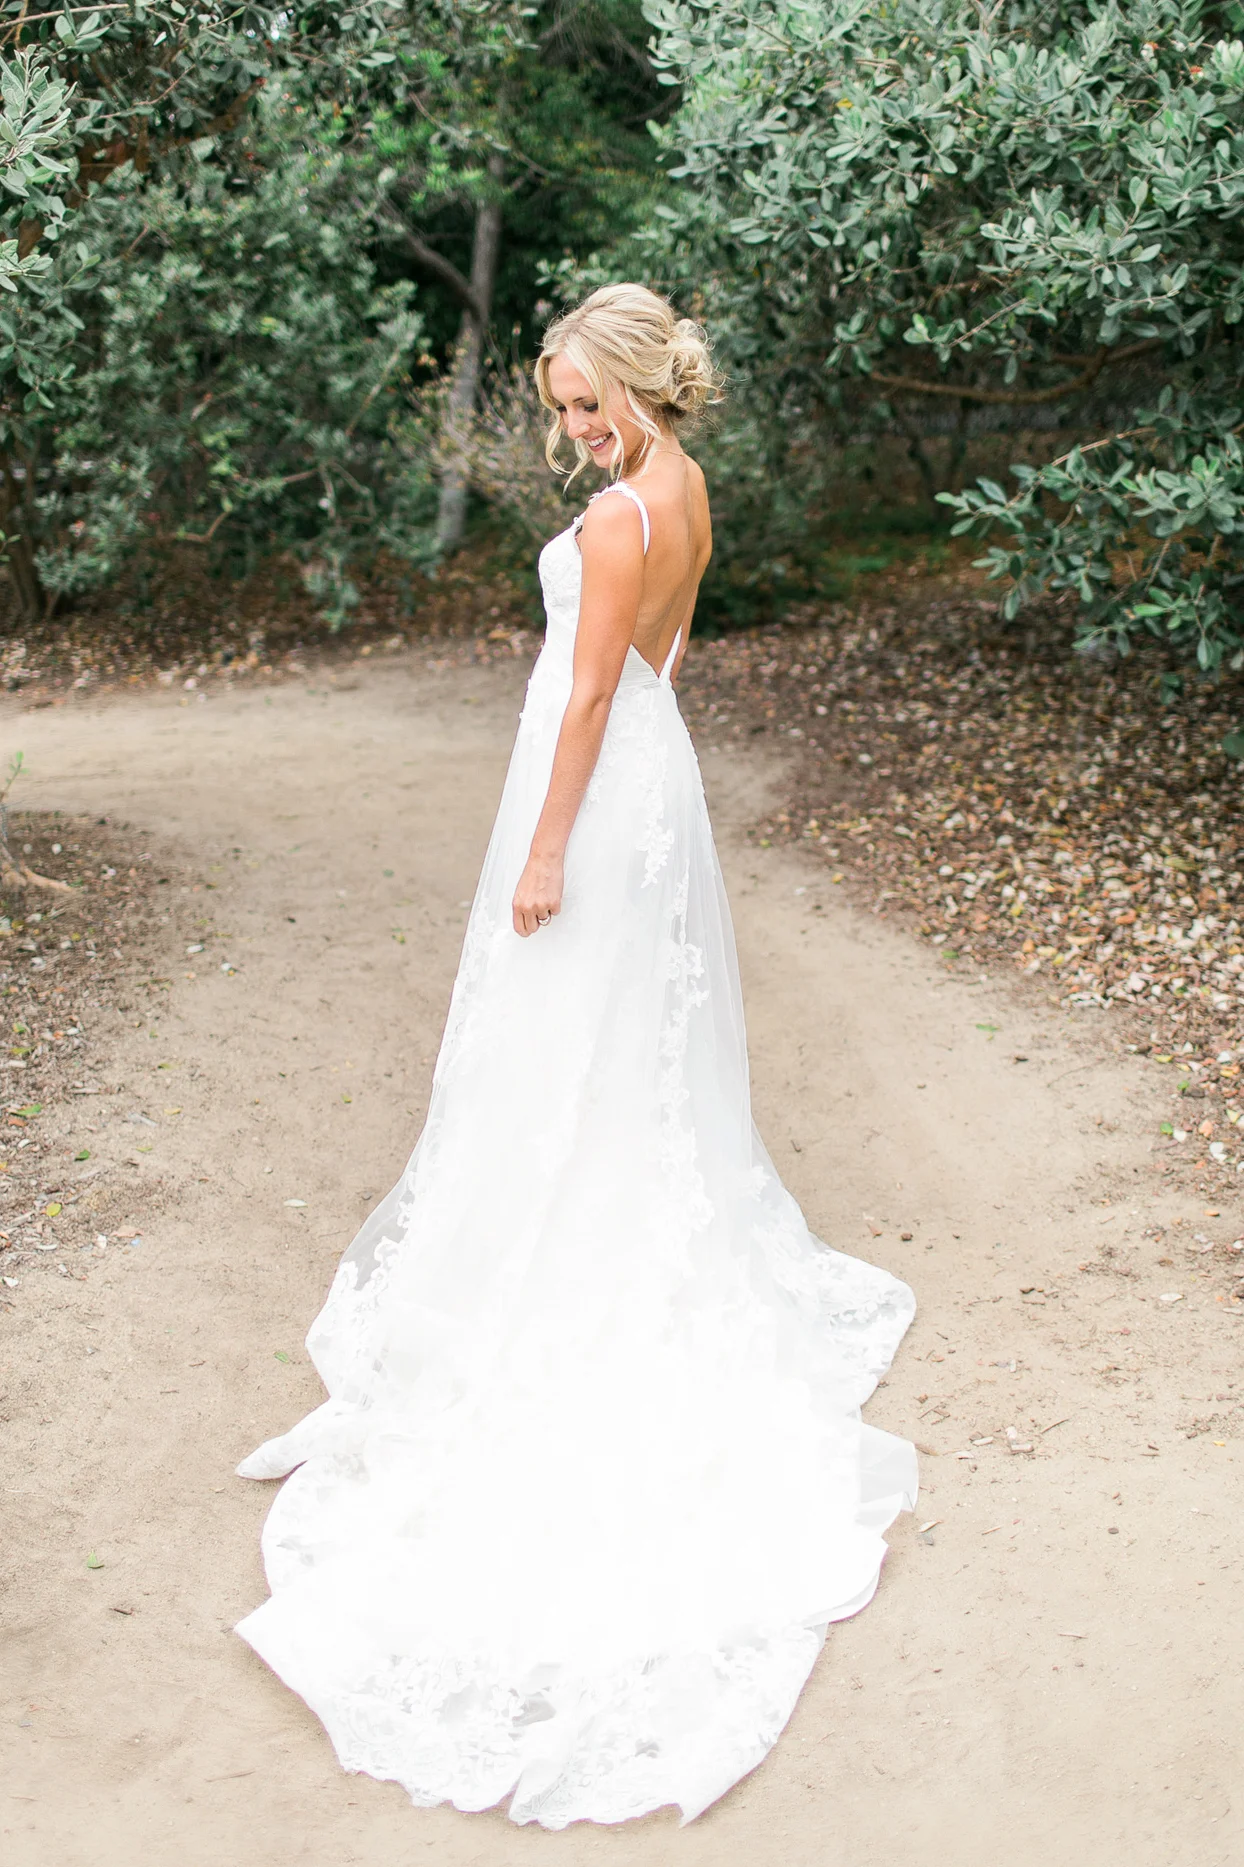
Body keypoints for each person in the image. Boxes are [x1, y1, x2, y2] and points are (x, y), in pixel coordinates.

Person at [236, 283, 917, 1829]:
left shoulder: (619, 517)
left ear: (632, 380)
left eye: (582, 401)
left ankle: (559, 1252)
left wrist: (546, 846)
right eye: (558, 406)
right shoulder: (688, 486)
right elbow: (665, 663)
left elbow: (597, 687)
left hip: (599, 787)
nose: (572, 427)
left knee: (565, 1028)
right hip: (652, 775)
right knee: (626, 1042)